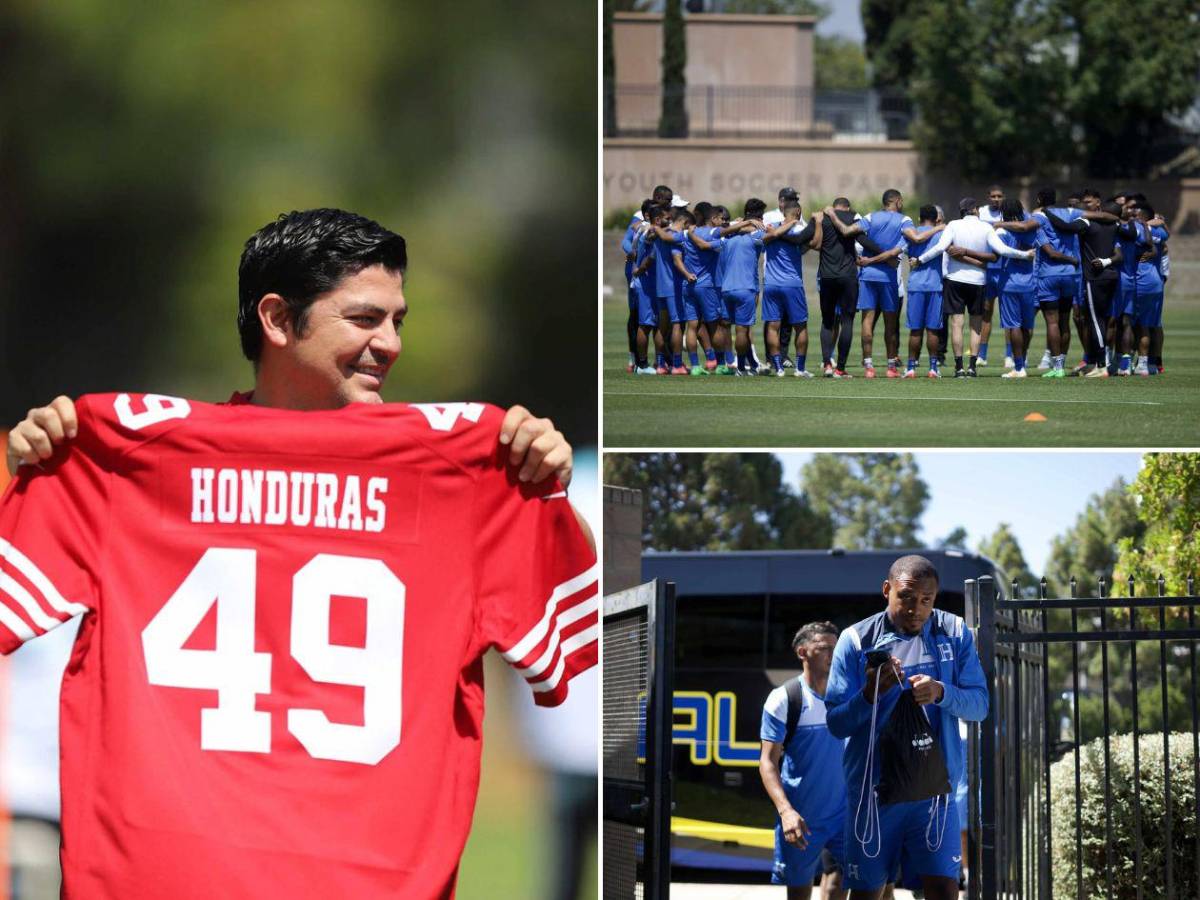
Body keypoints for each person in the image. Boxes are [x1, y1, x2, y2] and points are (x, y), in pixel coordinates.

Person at [2, 208, 597, 899]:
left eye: (398, 321)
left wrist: (548, 492)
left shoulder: (473, 476)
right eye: (365, 318)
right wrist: (36, 463)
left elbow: (598, 643)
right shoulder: (111, 461)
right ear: (278, 320)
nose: (390, 344)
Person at [825, 555, 988, 900]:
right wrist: (870, 693)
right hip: (874, 794)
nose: (917, 609)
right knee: (869, 893)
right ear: (887, 590)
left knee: (944, 890)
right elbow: (837, 724)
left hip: (934, 793)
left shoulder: (954, 631)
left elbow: (980, 705)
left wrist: (941, 692)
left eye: (927, 600)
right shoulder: (855, 640)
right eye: (907, 598)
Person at [760, 622, 848, 900]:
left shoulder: (850, 695)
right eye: (824, 648)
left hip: (847, 817)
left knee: (852, 883)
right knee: (799, 893)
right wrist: (786, 812)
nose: (833, 654)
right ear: (803, 652)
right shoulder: (784, 698)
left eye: (837, 648)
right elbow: (767, 762)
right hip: (802, 819)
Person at [913, 198, 1035, 377]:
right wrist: (1025, 255)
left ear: (962, 210)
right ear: (976, 210)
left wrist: (919, 259)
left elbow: (940, 248)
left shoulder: (953, 225)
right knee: (976, 325)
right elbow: (1002, 250)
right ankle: (972, 366)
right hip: (978, 280)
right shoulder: (986, 227)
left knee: (957, 324)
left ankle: (959, 367)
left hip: (955, 279)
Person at [823, 190, 910, 378]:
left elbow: (846, 231)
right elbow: (894, 254)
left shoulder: (870, 217)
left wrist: (832, 215)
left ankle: (868, 367)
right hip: (888, 278)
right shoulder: (905, 221)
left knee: (867, 321)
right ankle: (891, 368)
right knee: (890, 323)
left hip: (868, 276)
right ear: (898, 201)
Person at [815, 199, 885, 378]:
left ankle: (827, 365)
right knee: (847, 322)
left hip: (827, 276)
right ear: (847, 207)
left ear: (834, 205)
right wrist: (884, 253)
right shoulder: (853, 218)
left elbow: (807, 240)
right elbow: (864, 240)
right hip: (848, 276)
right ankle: (840, 368)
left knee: (827, 321)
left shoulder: (822, 218)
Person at [757, 201, 821, 377]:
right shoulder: (798, 229)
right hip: (792, 284)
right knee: (800, 327)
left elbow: (763, 243)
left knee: (772, 326)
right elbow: (815, 243)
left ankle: (778, 368)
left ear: (783, 211)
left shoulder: (770, 228)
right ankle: (800, 369)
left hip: (770, 284)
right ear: (798, 211)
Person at [994, 198, 1048, 379]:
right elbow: (1045, 247)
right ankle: (1022, 361)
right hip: (1029, 283)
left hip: (1009, 283)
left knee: (1013, 326)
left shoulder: (1001, 230)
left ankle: (1018, 367)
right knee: (1027, 325)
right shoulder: (1033, 230)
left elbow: (996, 254)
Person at [720, 199, 769, 374]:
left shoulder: (728, 234)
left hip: (726, 288)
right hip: (746, 288)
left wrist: (741, 223)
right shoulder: (757, 236)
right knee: (743, 329)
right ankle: (741, 367)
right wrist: (751, 225)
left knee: (725, 326)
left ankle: (725, 362)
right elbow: (770, 232)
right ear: (759, 217)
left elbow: (722, 230)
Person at [901, 205, 947, 378]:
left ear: (919, 218)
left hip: (916, 286)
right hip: (935, 285)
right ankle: (933, 368)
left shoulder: (911, 232)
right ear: (937, 219)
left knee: (915, 329)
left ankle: (911, 368)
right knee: (933, 330)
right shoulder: (941, 233)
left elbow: (899, 251)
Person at [975, 185, 1006, 367]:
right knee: (986, 312)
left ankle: (1010, 355)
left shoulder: (1008, 213)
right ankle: (982, 355)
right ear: (988, 197)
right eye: (993, 196)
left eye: (999, 196)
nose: (996, 199)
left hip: (1004, 269)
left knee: (1008, 314)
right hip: (987, 269)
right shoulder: (981, 213)